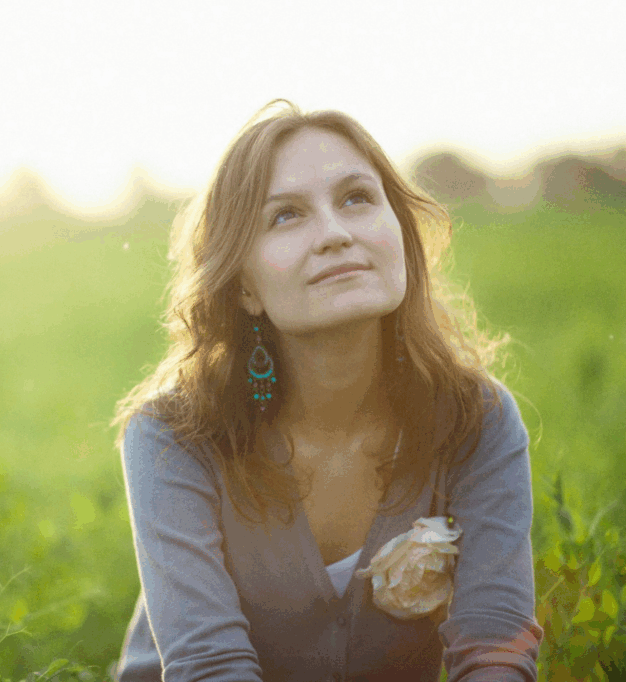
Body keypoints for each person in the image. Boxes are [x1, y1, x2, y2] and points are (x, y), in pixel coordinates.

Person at [111, 100, 543, 682]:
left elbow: (497, 651)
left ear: (402, 236)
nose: (335, 234)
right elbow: (210, 668)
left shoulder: (477, 419)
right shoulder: (172, 437)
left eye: (357, 198)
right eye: (286, 216)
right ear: (243, 288)